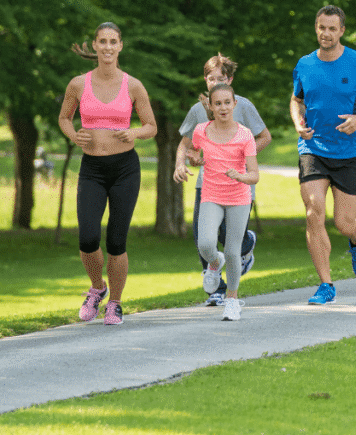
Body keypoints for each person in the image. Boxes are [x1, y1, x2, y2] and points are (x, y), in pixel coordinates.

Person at [290, 5, 356, 305]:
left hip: (350, 151)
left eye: (332, 28)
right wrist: (298, 122)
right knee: (313, 211)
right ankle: (326, 284)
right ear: (316, 28)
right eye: (322, 27)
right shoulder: (305, 64)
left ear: (342, 31)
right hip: (314, 148)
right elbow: (296, 99)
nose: (326, 33)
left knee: (344, 222)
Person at [58, 22, 158, 326]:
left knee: (116, 241)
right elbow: (64, 118)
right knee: (87, 237)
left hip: (125, 169)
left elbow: (152, 126)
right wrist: (74, 136)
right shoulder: (78, 84)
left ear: (120, 46)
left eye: (113, 41)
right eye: (103, 41)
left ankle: (114, 303)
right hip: (92, 169)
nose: (108, 47)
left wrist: (135, 133)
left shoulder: (133, 86)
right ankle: (97, 288)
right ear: (95, 45)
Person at [177, 54, 271, 306]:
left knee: (231, 239)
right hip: (207, 185)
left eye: (221, 78)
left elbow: (264, 137)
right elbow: (187, 145)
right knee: (203, 237)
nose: (215, 82)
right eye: (211, 78)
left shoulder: (243, 106)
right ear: (205, 80)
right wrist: (184, 163)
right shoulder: (198, 110)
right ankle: (216, 289)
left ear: (230, 79)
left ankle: (246, 245)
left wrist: (241, 158)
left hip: (238, 186)